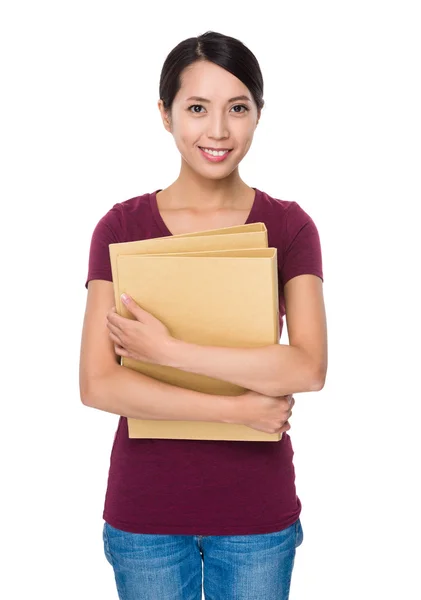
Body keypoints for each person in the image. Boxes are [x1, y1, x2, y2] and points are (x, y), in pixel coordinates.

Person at [80, 30, 327, 600]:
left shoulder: (289, 226)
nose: (217, 131)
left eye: (237, 108)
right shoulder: (121, 228)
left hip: (255, 515)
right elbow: (98, 383)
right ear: (165, 115)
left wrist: (167, 352)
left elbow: (308, 368)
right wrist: (237, 409)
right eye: (197, 108)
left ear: (258, 115)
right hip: (146, 515)